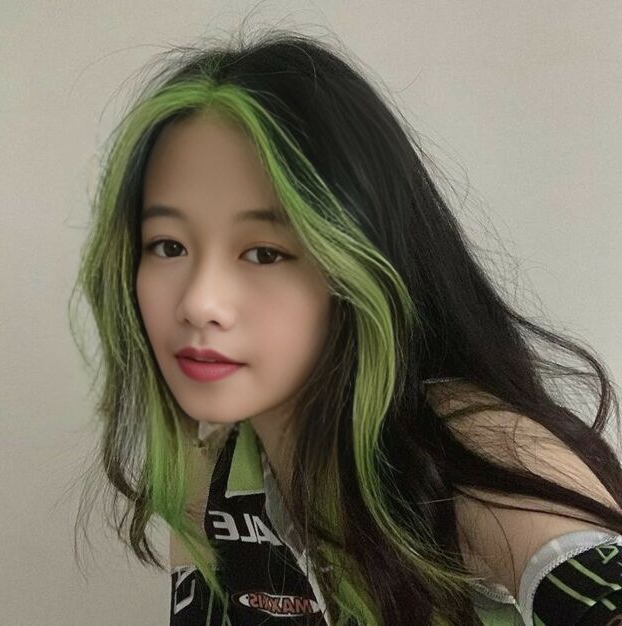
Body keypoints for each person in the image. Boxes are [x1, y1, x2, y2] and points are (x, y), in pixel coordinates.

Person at [68, 25, 622, 626]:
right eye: (168, 246)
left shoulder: (476, 450)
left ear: (361, 264)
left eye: (264, 252)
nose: (200, 303)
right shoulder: (210, 475)